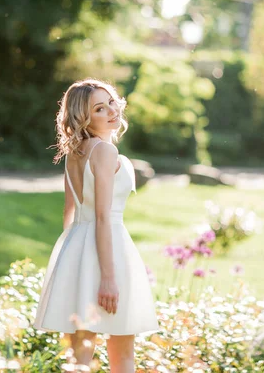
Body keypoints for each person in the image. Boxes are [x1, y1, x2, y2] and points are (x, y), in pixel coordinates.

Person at [33, 78, 159, 372]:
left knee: (78, 357)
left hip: (77, 245)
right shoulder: (104, 151)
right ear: (84, 117)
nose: (112, 111)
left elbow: (70, 211)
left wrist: (68, 264)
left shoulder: (75, 152)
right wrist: (107, 277)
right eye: (100, 109)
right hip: (109, 249)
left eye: (112, 102)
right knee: (122, 354)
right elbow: (102, 216)